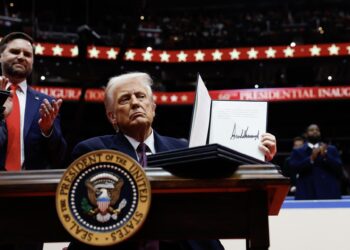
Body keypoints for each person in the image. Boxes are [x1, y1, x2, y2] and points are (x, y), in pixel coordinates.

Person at [68, 72, 277, 250]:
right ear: (112, 116)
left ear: (153, 107)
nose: (135, 102)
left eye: (141, 96)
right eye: (125, 99)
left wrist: (259, 157)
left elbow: (222, 183)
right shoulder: (91, 151)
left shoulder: (185, 148)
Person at [0, 32, 67, 171]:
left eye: (27, 54)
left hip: (30, 185)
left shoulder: (47, 103)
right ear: (0, 56)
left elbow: (59, 157)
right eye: (14, 51)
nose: (21, 57)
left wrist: (48, 130)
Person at [288, 124, 343, 199]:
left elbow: (339, 167)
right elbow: (293, 169)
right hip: (306, 192)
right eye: (311, 130)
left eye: (317, 130)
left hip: (328, 192)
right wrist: (311, 159)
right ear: (306, 134)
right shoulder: (298, 151)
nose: (315, 132)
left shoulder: (331, 149)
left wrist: (326, 156)